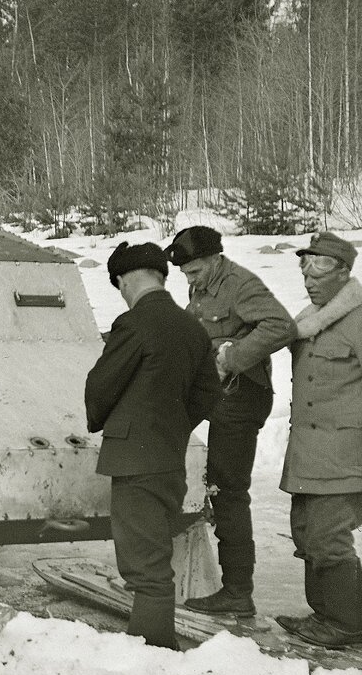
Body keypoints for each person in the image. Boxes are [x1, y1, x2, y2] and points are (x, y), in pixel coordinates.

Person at [85, 242, 222, 649]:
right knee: (154, 558)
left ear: (126, 279)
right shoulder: (192, 328)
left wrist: (107, 422)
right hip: (167, 459)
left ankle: (153, 651)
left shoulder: (134, 324)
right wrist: (175, 426)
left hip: (134, 462)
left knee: (146, 568)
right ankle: (153, 646)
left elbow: (100, 386)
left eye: (120, 286)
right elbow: (209, 392)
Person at [162, 226, 295, 617]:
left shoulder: (240, 284)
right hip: (217, 395)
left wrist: (231, 358)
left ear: (216, 259)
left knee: (228, 489)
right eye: (185, 274)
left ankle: (238, 592)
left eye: (196, 271)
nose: (190, 279)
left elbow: (281, 326)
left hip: (242, 397)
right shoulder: (202, 288)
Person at [275, 231, 362, 648]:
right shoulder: (310, 317)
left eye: (320, 268)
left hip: (344, 455)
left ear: (345, 272)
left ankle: (346, 623)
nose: (309, 278)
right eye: (304, 267)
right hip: (307, 453)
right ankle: (323, 615)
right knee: (306, 535)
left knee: (330, 541)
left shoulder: (359, 318)